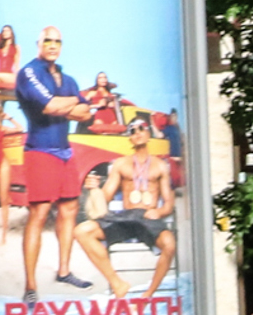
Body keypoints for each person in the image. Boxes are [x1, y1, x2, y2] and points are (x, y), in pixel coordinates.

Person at [13, 26, 94, 301]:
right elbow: (50, 107)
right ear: (38, 44)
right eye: (47, 40)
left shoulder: (67, 78)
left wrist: (68, 104)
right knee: (39, 212)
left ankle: (64, 270)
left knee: (70, 207)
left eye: (57, 41)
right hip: (40, 150)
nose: (52, 45)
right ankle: (31, 286)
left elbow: (85, 114)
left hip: (64, 151)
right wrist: (75, 101)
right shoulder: (29, 73)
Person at [71, 124, 178, 300]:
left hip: (148, 218)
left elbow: (168, 204)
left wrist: (158, 213)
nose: (137, 133)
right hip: (126, 218)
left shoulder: (160, 166)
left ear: (149, 134)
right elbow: (105, 197)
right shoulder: (121, 164)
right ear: (129, 138)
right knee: (81, 231)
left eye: (141, 128)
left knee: (170, 244)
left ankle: (147, 295)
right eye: (132, 131)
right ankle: (117, 283)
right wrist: (94, 189)